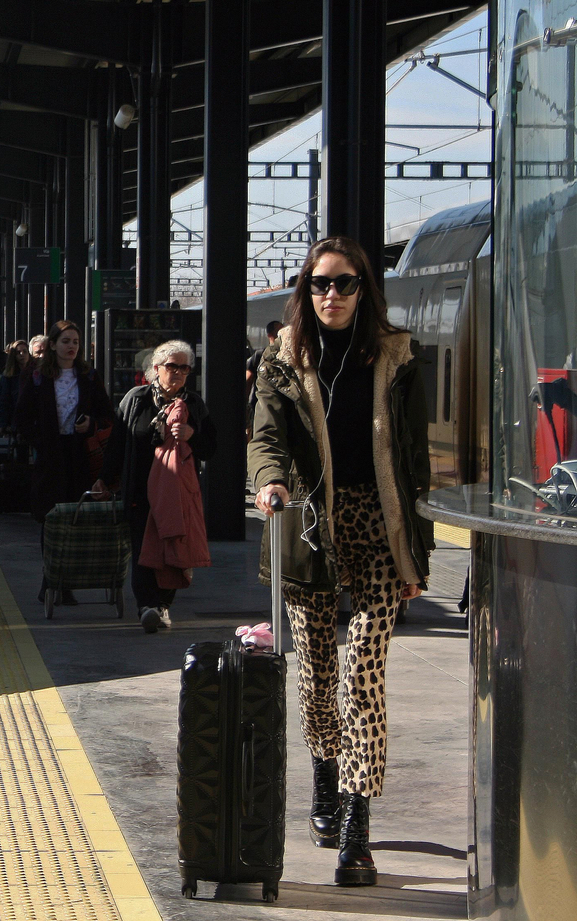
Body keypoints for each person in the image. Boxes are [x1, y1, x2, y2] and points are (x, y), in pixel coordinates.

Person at [249, 236, 431, 888]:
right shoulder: (283, 358)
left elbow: (415, 462)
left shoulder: (399, 357)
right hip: (309, 526)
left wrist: (418, 550)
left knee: (365, 678)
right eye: (321, 284)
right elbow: (264, 435)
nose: (332, 295)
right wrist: (270, 482)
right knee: (317, 676)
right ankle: (325, 774)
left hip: (379, 529)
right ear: (306, 291)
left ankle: (357, 826)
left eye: (345, 283)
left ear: (364, 289)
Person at [95, 339, 215, 632]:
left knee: (172, 548)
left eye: (184, 368)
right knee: (142, 548)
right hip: (140, 487)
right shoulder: (136, 399)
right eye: (172, 366)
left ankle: (163, 603)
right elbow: (118, 442)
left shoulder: (194, 405)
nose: (178, 373)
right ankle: (146, 605)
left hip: (176, 491)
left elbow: (210, 447)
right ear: (157, 368)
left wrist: (191, 435)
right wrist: (105, 478)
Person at [16, 321, 115, 606]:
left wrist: (91, 423)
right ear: (53, 345)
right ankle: (51, 579)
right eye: (66, 341)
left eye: (75, 342)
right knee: (50, 518)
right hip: (50, 456)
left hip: (79, 454)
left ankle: (64, 582)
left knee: (75, 518)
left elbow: (107, 414)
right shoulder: (36, 376)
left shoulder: (89, 376)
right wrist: (41, 440)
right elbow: (21, 417)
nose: (71, 347)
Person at [246, 320, 283, 435]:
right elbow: (248, 379)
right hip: (260, 405)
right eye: (279, 332)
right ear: (270, 335)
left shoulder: (287, 355)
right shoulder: (260, 355)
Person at [0, 339, 32, 432]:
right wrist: (3, 424)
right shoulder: (9, 377)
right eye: (18, 352)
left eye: (25, 351)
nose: (22, 354)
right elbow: (2, 400)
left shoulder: (34, 374)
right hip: (14, 420)